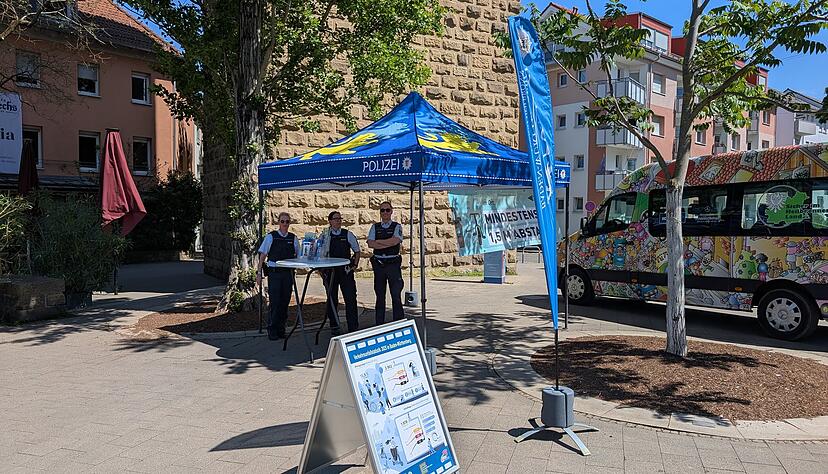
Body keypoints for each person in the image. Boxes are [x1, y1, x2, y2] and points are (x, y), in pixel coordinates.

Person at [256, 212, 300, 340]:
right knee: (275, 302)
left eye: (287, 222)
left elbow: (298, 254)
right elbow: (262, 256)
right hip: (275, 274)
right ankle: (272, 329)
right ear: (278, 222)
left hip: (287, 274)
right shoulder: (271, 237)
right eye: (282, 221)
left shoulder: (293, 238)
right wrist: (259, 273)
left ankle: (281, 329)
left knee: (285, 302)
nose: (285, 224)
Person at [319, 211, 361, 333]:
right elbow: (319, 252)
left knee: (350, 298)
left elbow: (357, 251)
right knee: (332, 299)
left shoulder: (347, 234)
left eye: (340, 218)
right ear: (330, 221)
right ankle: (334, 326)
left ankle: (353, 327)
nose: (338, 221)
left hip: (345, 271)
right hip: (330, 272)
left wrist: (355, 265)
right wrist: (322, 271)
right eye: (335, 219)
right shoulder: (325, 235)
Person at [367, 201, 404, 325]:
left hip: (393, 264)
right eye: (382, 210)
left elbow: (395, 241)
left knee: (396, 294)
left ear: (391, 211)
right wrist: (387, 242)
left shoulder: (397, 226)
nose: (385, 212)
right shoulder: (375, 226)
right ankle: (379, 323)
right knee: (380, 295)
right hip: (379, 264)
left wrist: (379, 242)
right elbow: (370, 243)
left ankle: (398, 323)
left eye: (387, 210)